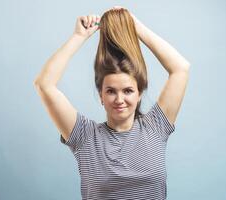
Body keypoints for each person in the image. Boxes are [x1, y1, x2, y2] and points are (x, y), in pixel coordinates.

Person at [34, 6, 190, 200]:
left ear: (139, 93)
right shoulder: (84, 136)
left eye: (128, 91)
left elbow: (181, 68)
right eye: (110, 91)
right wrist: (78, 36)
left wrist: (136, 26)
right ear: (101, 95)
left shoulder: (156, 127)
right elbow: (44, 84)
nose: (119, 99)